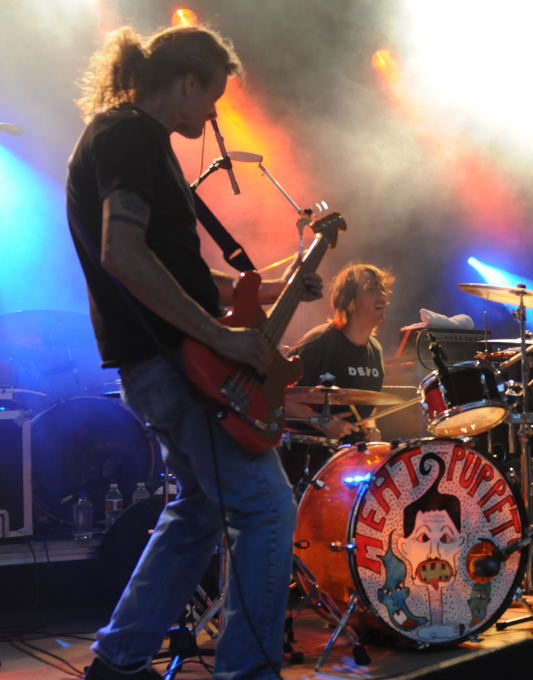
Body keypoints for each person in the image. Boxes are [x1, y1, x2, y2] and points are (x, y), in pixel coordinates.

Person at [66, 25, 323, 680]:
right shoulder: (130, 135)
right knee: (266, 509)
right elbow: (123, 253)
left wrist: (275, 285)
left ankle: (119, 661)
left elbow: (180, 273)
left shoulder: (131, 137)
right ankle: (246, 673)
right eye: (211, 98)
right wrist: (218, 336)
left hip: (161, 363)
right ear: (188, 82)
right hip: (175, 361)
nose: (212, 116)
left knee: (200, 509)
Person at [283, 264, 393, 463]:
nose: (382, 296)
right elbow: (277, 397)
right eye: (371, 290)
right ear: (349, 302)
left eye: (382, 289)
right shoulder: (319, 343)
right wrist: (321, 422)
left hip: (349, 455)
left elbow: (365, 403)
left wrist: (371, 428)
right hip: (306, 454)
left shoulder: (375, 349)